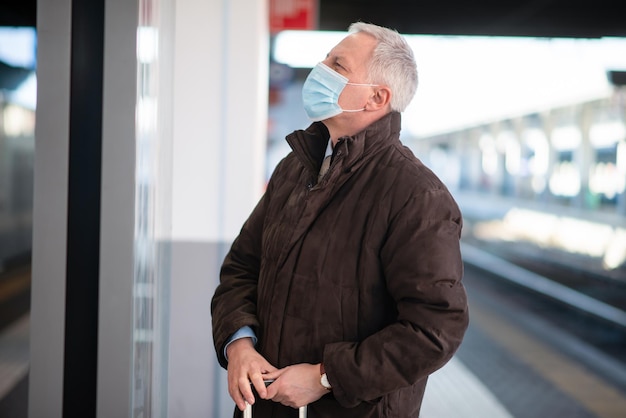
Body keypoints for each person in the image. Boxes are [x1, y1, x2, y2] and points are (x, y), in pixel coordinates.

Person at [211, 21, 469, 418]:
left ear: (376, 98)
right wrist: (239, 345)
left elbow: (435, 328)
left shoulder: (416, 195)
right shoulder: (294, 170)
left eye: (338, 65)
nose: (320, 69)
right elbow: (242, 267)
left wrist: (326, 376)